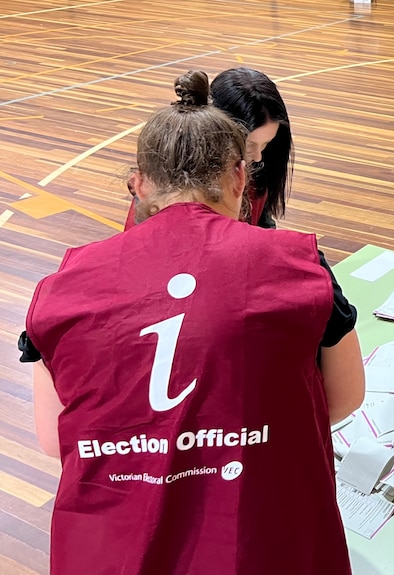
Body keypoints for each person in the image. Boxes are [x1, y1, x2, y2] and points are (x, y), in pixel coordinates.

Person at [19, 71, 365, 575]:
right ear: (240, 178)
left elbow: (56, 440)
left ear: (138, 185)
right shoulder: (301, 267)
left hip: (116, 548)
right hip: (261, 537)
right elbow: (345, 397)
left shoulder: (61, 289)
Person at [123, 66, 293, 229]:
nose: (258, 157)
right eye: (250, 145)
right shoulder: (173, 189)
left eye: (266, 144)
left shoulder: (258, 168)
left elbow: (263, 225)